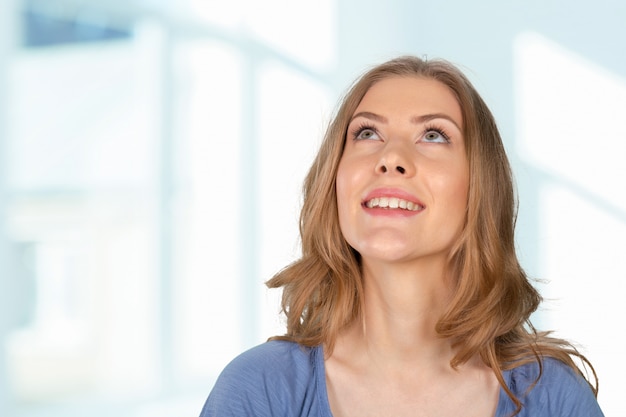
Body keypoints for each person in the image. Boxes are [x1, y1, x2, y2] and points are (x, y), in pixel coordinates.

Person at [199, 56, 604, 417]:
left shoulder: (553, 398)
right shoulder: (259, 390)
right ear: (335, 180)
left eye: (433, 135)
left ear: (480, 188)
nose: (390, 157)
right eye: (367, 133)